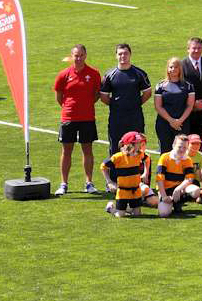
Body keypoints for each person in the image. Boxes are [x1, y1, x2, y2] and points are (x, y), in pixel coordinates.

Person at [53, 44, 102, 195]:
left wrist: (86, 105)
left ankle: (89, 183)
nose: (79, 58)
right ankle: (64, 184)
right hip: (68, 118)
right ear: (72, 56)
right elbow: (59, 96)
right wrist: (69, 107)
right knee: (66, 151)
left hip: (87, 118)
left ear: (85, 55)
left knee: (87, 150)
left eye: (81, 55)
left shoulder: (94, 73)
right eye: (76, 55)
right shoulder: (64, 74)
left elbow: (97, 94)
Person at [99, 43, 152, 158]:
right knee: (116, 148)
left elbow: (147, 93)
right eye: (120, 54)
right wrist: (116, 105)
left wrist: (136, 103)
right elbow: (103, 96)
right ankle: (115, 175)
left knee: (137, 147)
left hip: (135, 117)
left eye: (125, 53)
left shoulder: (139, 73)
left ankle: (137, 174)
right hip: (116, 118)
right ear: (116, 56)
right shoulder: (109, 75)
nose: (123, 56)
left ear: (130, 55)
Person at [102, 131, 155, 217]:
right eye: (138, 143)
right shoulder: (118, 157)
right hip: (123, 191)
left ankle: (124, 209)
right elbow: (103, 166)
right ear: (131, 144)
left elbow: (147, 159)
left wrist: (146, 172)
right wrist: (109, 182)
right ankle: (112, 208)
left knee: (137, 214)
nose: (140, 144)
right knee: (120, 215)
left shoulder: (139, 154)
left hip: (136, 190)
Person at [152, 57, 194, 154]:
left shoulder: (188, 86)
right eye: (171, 67)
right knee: (165, 152)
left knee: (181, 151)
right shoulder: (160, 86)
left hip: (182, 124)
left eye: (176, 67)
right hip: (164, 124)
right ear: (167, 69)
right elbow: (158, 106)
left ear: (180, 69)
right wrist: (171, 121)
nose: (173, 69)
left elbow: (190, 106)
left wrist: (179, 121)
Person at [154, 134, 202, 217]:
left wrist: (178, 189)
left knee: (196, 191)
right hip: (166, 189)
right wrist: (164, 196)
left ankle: (178, 203)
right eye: (179, 147)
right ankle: (171, 202)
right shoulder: (165, 157)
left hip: (179, 189)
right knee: (163, 214)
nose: (182, 150)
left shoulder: (187, 159)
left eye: (184, 148)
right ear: (173, 145)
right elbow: (160, 179)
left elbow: (189, 178)